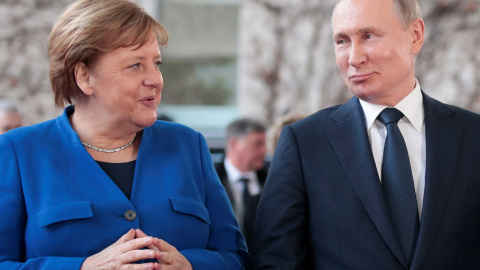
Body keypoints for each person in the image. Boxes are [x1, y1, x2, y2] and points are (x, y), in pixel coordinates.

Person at [0, 0, 248, 269]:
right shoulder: (18, 151)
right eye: (135, 65)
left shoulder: (189, 145)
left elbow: (236, 258)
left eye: (156, 63)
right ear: (84, 76)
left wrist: (190, 265)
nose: (155, 79)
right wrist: (83, 268)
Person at [251, 0, 480, 269]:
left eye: (368, 36)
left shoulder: (472, 136)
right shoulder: (304, 144)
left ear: (415, 36)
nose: (354, 57)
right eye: (342, 41)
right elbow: (275, 261)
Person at [214, 118, 268, 249]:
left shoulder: (272, 181)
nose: (264, 151)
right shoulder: (210, 181)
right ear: (233, 144)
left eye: (264, 144)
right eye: (257, 144)